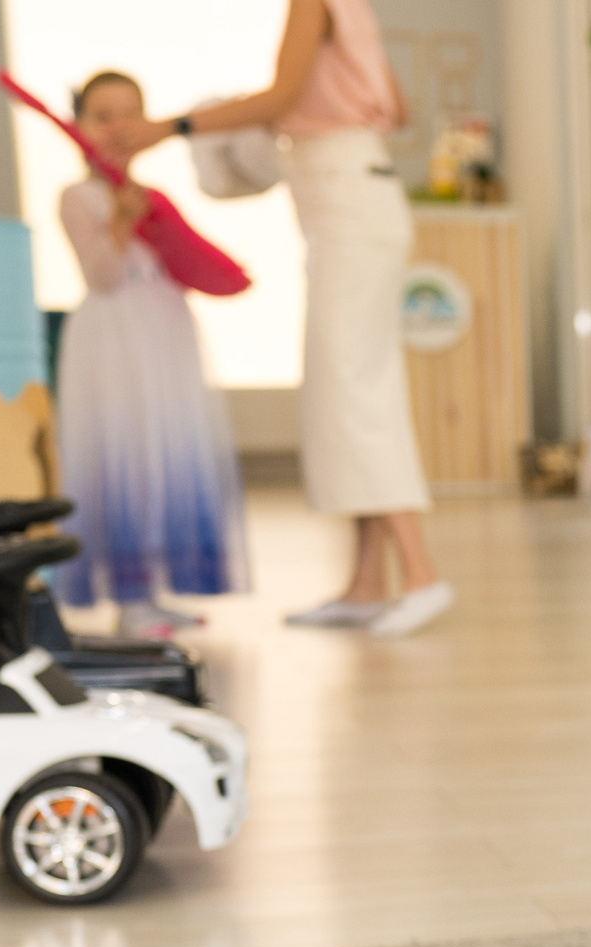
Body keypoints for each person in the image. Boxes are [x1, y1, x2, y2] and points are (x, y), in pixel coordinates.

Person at [113, 0, 452, 638]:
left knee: (354, 391)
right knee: (344, 387)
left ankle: (423, 573)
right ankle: (366, 583)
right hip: (356, 201)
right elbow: (396, 109)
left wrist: (172, 127)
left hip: (349, 210)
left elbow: (280, 97)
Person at [56, 71, 247, 641]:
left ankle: (157, 591)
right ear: (79, 125)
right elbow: (103, 276)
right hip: (116, 346)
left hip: (162, 339)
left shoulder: (153, 199)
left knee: (164, 459)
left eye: (129, 114)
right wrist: (120, 222)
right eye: (102, 114)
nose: (117, 127)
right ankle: (130, 595)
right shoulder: (77, 198)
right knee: (128, 462)